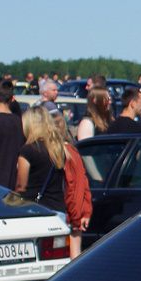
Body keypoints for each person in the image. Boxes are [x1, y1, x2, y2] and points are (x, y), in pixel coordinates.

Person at [49, 109, 92, 256]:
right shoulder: (69, 151)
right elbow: (82, 184)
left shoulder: (66, 153)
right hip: (70, 212)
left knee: (72, 258)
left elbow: (75, 186)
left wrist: (76, 216)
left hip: (69, 214)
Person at [15, 107, 67, 213]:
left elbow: (21, 186)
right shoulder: (58, 148)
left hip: (36, 207)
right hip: (59, 207)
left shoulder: (29, 150)